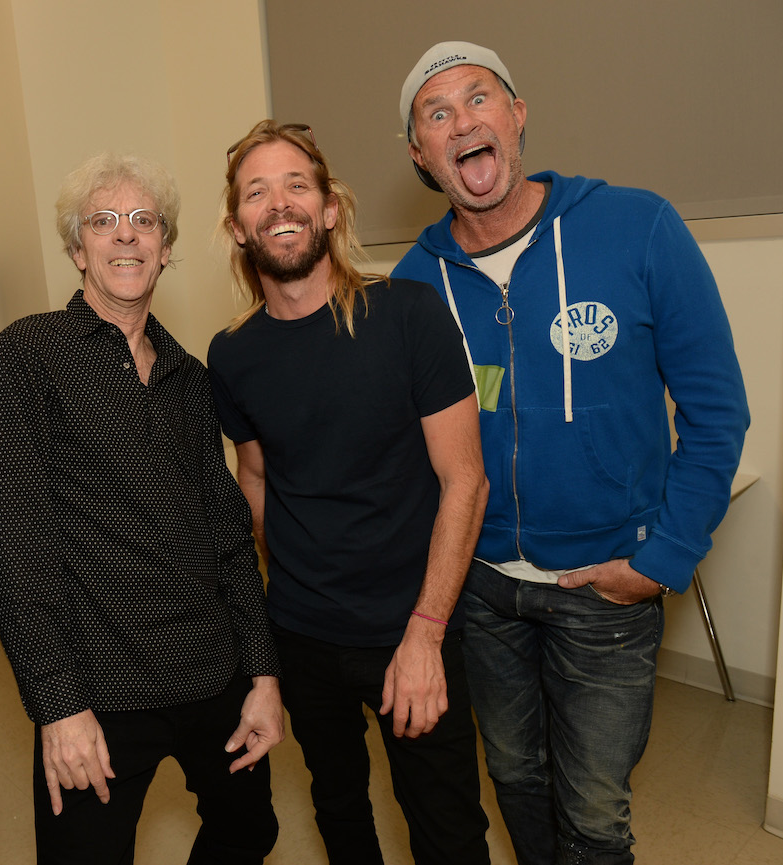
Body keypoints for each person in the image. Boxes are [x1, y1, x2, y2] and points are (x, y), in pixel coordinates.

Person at [393, 42, 751, 864]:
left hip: (606, 591)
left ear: (517, 115)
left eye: (479, 99)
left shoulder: (639, 225)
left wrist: (663, 559)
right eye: (436, 115)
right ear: (420, 154)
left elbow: (717, 412)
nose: (462, 123)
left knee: (594, 814)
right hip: (483, 593)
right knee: (516, 778)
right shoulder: (413, 284)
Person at [0, 153, 283, 865]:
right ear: (77, 247)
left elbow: (230, 536)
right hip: (99, 688)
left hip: (213, 672)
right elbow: (17, 548)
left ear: (166, 248)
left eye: (144, 221)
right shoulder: (27, 356)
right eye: (103, 221)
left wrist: (263, 675)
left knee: (252, 828)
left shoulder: (190, 377)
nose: (125, 236)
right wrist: (56, 704)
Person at [208, 120, 491, 865]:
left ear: (330, 208)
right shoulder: (233, 355)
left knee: (447, 827)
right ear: (237, 225)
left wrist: (427, 634)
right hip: (304, 637)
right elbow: (258, 479)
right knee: (340, 814)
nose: (280, 203)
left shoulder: (409, 315)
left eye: (297, 184)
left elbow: (466, 479)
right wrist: (283, 594)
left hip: (414, 628)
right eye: (257, 192)